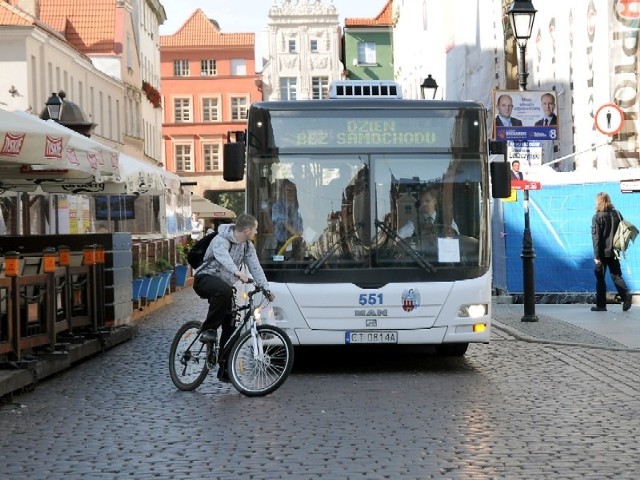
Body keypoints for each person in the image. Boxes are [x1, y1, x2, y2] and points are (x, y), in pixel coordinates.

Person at [193, 214, 275, 380]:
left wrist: (266, 288)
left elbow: (255, 267)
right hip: (205, 279)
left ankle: (225, 370)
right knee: (224, 291)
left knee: (232, 324)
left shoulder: (247, 246)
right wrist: (237, 272)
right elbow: (223, 257)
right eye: (255, 229)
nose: (256, 232)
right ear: (247, 230)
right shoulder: (221, 239)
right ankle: (209, 329)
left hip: (224, 287)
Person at [590, 192, 632, 312]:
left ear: (598, 202)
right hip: (614, 251)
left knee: (600, 279)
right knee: (616, 275)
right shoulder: (617, 214)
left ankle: (601, 305)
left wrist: (596, 256)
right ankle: (626, 295)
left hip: (602, 253)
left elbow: (596, 238)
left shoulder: (597, 217)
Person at [271, 179, 304, 254]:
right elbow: (284, 222)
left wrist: (309, 239)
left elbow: (311, 222)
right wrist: (295, 233)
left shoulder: (300, 206)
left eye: (294, 190)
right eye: (288, 190)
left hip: (299, 244)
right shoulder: (277, 206)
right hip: (283, 245)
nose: (292, 193)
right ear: (282, 191)